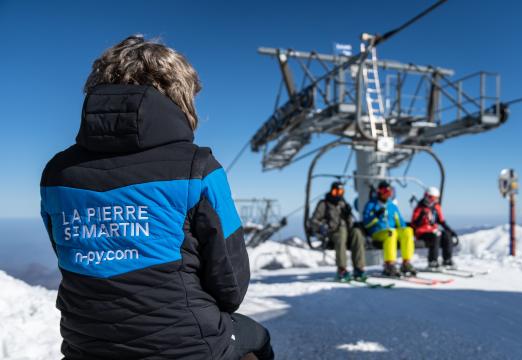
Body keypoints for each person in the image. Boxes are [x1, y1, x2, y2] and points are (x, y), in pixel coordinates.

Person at [39, 35, 273, 360]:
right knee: (257, 339)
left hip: (85, 346)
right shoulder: (200, 169)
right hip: (188, 347)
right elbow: (230, 287)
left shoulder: (56, 174)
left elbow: (69, 254)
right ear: (180, 96)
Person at [310, 182, 367, 281]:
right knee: (341, 232)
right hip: (332, 233)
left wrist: (348, 215)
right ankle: (342, 269)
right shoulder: (324, 204)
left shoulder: (343, 204)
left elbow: (350, 224)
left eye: (340, 191)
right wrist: (323, 226)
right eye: (336, 191)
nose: (338, 194)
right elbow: (314, 220)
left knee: (357, 233)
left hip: (346, 232)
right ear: (331, 191)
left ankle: (358, 268)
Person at [363, 181, 416, 277]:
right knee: (391, 232)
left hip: (392, 232)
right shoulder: (371, 204)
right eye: (385, 191)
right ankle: (389, 264)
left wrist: (404, 230)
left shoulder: (392, 206)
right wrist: (376, 215)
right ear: (379, 191)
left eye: (389, 191)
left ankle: (406, 263)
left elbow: (400, 223)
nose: (387, 194)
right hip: (377, 232)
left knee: (408, 231)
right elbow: (366, 223)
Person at [411, 186, 458, 271]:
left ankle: (447, 260)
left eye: (435, 198)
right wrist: (421, 216)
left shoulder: (436, 207)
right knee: (436, 236)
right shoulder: (420, 208)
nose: (433, 200)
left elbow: (441, 221)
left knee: (446, 235)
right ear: (426, 196)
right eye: (431, 198)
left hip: (433, 230)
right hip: (422, 232)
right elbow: (414, 223)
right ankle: (432, 261)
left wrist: (450, 231)